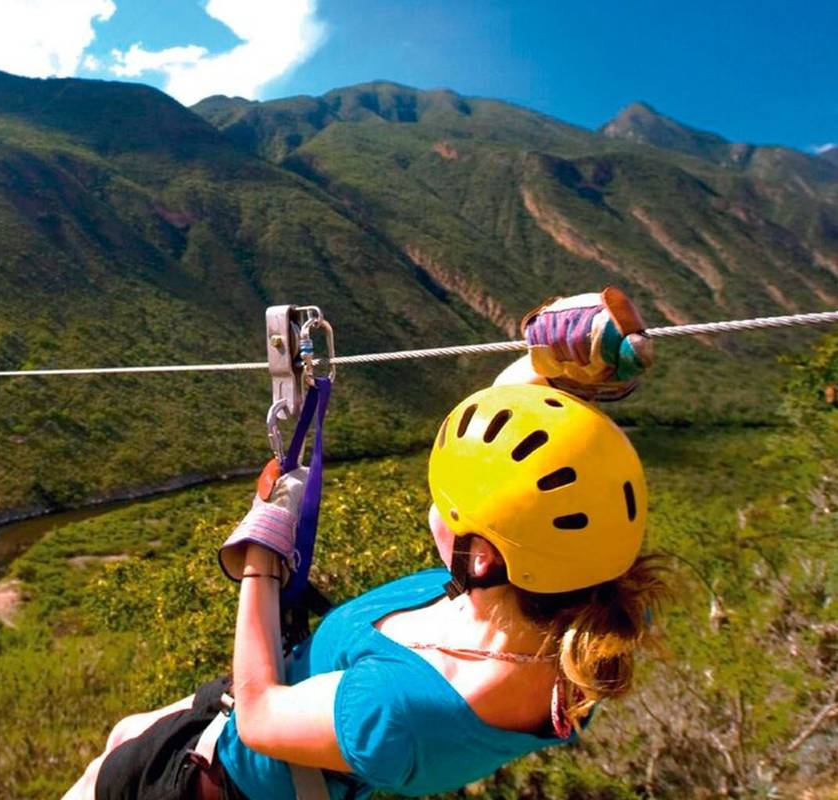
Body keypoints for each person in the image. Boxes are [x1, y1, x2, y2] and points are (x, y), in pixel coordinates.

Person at [66, 288, 669, 800]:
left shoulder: (399, 710)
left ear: (483, 556)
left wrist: (260, 555)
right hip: (256, 703)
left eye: (447, 507)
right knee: (124, 731)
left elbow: (258, 717)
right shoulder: (587, 618)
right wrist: (562, 367)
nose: (435, 510)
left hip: (213, 779)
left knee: (109, 773)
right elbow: (546, 466)